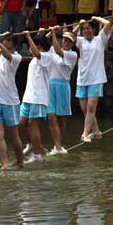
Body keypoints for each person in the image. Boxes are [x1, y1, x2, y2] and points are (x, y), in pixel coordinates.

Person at [0, 33, 23, 169]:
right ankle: (5, 164)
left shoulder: (16, 57)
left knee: (14, 135)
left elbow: (6, 54)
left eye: (8, 40)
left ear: (14, 44)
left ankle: (20, 162)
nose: (5, 42)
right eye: (4, 40)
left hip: (10, 102)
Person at [74, 17, 111, 142]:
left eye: (88, 28)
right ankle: (96, 131)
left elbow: (108, 24)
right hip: (82, 79)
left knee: (91, 108)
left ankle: (85, 133)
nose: (86, 31)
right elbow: (70, 35)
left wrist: (96, 18)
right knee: (85, 109)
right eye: (84, 29)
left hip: (96, 78)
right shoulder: (80, 41)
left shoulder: (100, 39)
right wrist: (79, 25)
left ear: (93, 29)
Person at [19, 32, 54, 162]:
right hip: (28, 96)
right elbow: (36, 48)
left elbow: (36, 52)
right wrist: (45, 33)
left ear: (40, 46)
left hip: (39, 97)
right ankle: (31, 144)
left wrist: (28, 37)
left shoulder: (47, 56)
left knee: (33, 124)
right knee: (21, 124)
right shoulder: (35, 58)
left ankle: (37, 155)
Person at [46, 27, 77, 155]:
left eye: (69, 41)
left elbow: (58, 50)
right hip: (50, 84)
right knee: (51, 116)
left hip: (63, 85)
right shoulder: (53, 48)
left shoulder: (72, 55)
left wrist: (53, 33)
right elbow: (47, 38)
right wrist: (50, 31)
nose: (66, 42)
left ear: (72, 44)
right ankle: (58, 146)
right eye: (64, 40)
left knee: (60, 117)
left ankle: (57, 145)